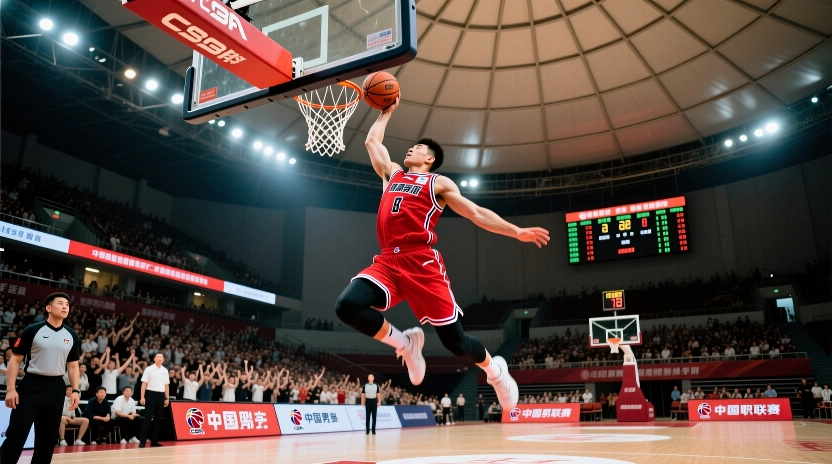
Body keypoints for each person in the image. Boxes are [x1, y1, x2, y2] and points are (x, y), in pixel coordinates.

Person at [334, 98, 549, 411]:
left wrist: (515, 231)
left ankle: (496, 372)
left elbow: (476, 213)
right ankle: (406, 344)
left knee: (456, 343)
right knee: (347, 306)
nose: (411, 149)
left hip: (421, 262)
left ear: (430, 158)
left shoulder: (438, 183)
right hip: (388, 261)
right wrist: (386, 112)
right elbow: (372, 142)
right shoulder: (392, 174)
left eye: (418, 147)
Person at [1, 292, 81, 464]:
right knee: (16, 435)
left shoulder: (71, 335)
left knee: (47, 440)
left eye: (67, 304)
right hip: (31, 385)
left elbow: (73, 366)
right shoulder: (32, 330)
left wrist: (75, 390)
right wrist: (11, 389)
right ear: (49, 308)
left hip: (57, 387)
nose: (65, 306)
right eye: (60, 303)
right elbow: (15, 360)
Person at [139, 352, 170, 448]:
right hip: (151, 394)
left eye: (162, 357)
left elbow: (166, 385)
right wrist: (142, 397)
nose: (160, 358)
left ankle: (154, 441)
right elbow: (144, 384)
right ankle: (142, 441)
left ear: (163, 359)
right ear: (154, 359)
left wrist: (167, 398)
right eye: (158, 357)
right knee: (148, 418)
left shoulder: (165, 370)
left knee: (158, 419)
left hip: (161, 395)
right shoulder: (149, 369)